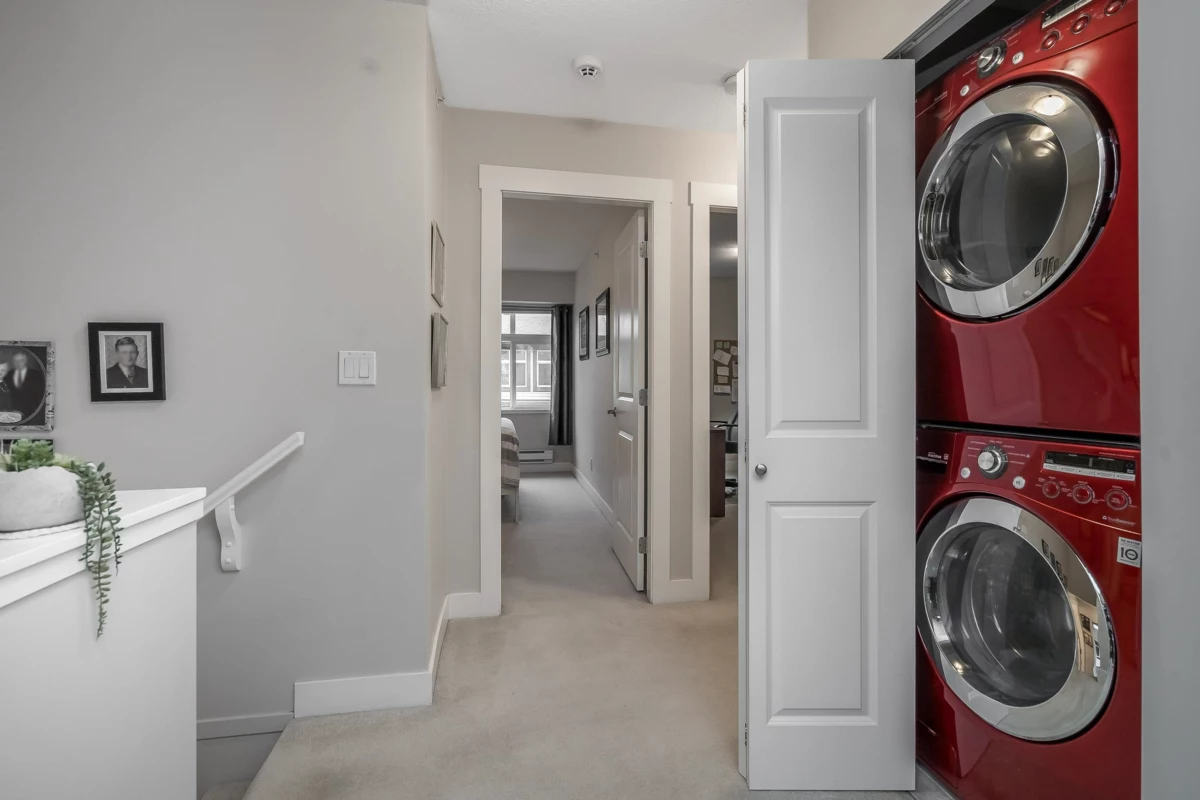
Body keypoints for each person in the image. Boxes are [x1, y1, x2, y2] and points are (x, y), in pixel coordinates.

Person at [5, 351, 46, 420]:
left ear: (25, 360)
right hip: (12, 414)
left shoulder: (36, 375)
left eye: (21, 360)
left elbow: (41, 395)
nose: (18, 363)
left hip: (31, 414)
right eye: (15, 361)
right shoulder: (7, 375)